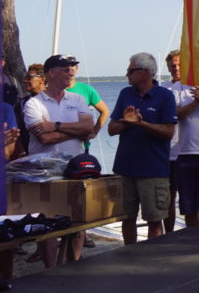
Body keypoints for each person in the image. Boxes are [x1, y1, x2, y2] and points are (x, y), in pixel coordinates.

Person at [21, 54, 96, 265]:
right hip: (45, 172)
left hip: (76, 168)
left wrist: (55, 125)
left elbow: (89, 128)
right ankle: (51, 270)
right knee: (48, 223)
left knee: (77, 221)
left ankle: (75, 264)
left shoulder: (78, 99)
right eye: (65, 68)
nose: (71, 72)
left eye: (73, 67)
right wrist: (76, 130)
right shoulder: (33, 104)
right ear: (50, 73)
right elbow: (43, 138)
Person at [107, 53, 177, 245]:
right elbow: (112, 130)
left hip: (153, 170)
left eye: (130, 70)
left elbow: (168, 132)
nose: (126, 74)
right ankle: (129, 255)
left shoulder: (165, 96)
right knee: (126, 217)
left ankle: (153, 259)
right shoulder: (125, 94)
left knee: (154, 220)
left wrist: (142, 123)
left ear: (145, 72)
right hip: (125, 168)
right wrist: (128, 123)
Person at [164, 49, 199, 229]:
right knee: (190, 208)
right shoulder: (178, 88)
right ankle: (194, 243)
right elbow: (175, 114)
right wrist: (195, 102)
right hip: (185, 154)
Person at [66, 58, 111, 141]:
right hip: (57, 142)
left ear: (77, 69)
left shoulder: (87, 89)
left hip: (81, 143)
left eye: (72, 68)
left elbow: (105, 111)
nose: (69, 71)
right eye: (66, 68)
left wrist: (95, 131)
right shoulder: (56, 89)